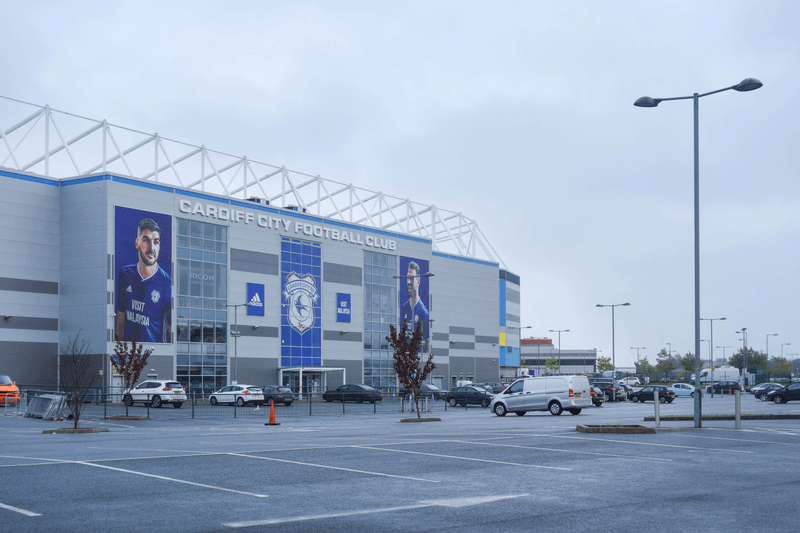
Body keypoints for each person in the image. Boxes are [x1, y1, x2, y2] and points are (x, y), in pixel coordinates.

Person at [115, 218, 172, 343]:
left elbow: (170, 330)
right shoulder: (125, 274)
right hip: (128, 353)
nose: (151, 247)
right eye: (146, 240)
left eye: (156, 242)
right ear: (137, 243)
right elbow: (120, 319)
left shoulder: (167, 283)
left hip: (154, 353)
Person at [400, 261, 429, 341]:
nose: (408, 282)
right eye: (407, 278)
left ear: (418, 281)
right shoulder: (404, 307)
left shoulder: (424, 313)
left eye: (412, 278)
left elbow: (427, 344)